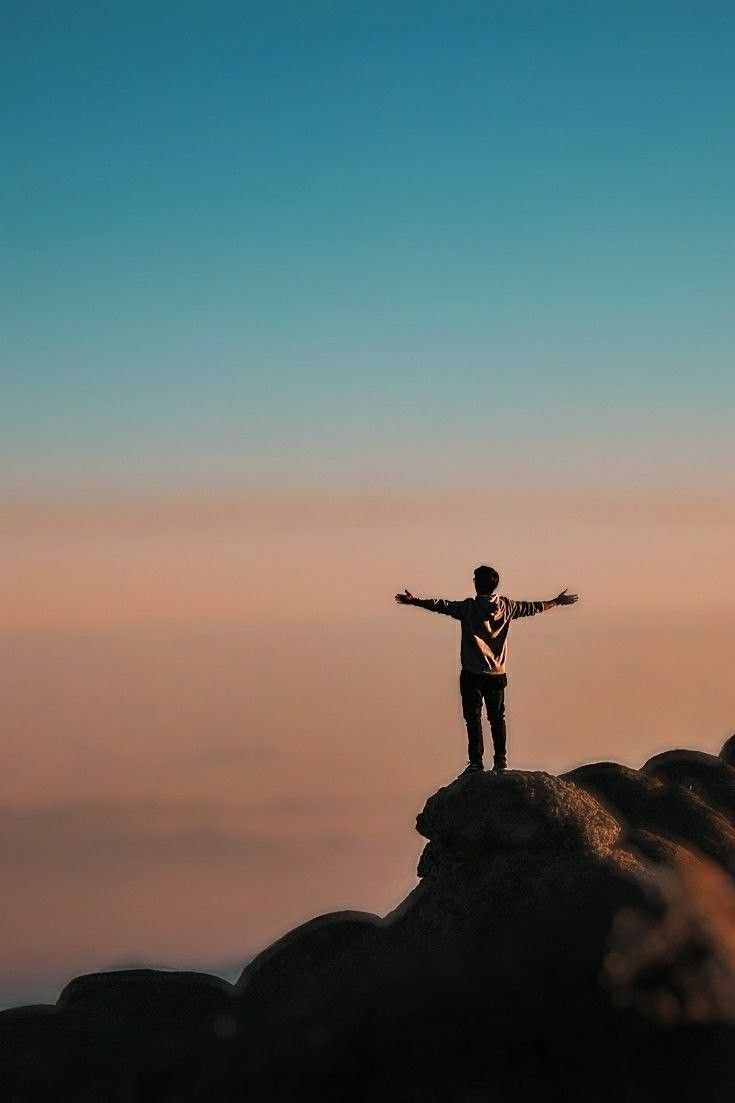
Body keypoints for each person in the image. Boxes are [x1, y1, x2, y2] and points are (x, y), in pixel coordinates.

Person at [394, 565, 578, 773]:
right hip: (497, 674)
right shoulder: (507, 607)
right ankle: (500, 761)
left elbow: (441, 606)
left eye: (474, 579)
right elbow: (533, 607)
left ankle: (476, 763)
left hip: (472, 673)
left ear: (478, 584)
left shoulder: (468, 608)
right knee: (497, 718)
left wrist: (415, 601)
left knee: (473, 719)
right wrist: (556, 602)